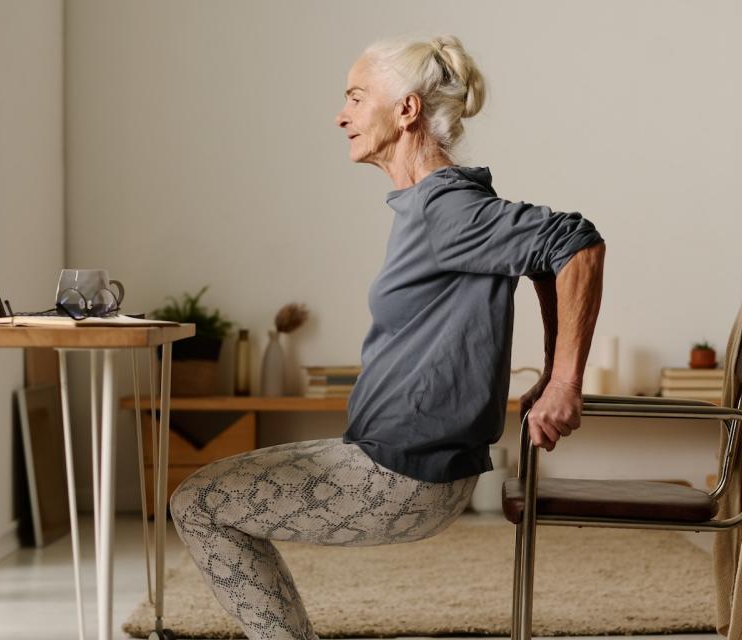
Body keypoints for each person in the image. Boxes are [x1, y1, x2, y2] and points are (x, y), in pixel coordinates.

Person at [169, 34, 605, 640]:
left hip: (400, 477)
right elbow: (545, 257)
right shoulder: (432, 205)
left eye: (354, 97)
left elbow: (575, 243)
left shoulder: (443, 207)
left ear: (407, 110)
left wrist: (563, 380)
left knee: (198, 504)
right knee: (205, 495)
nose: (340, 115)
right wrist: (554, 369)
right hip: (389, 460)